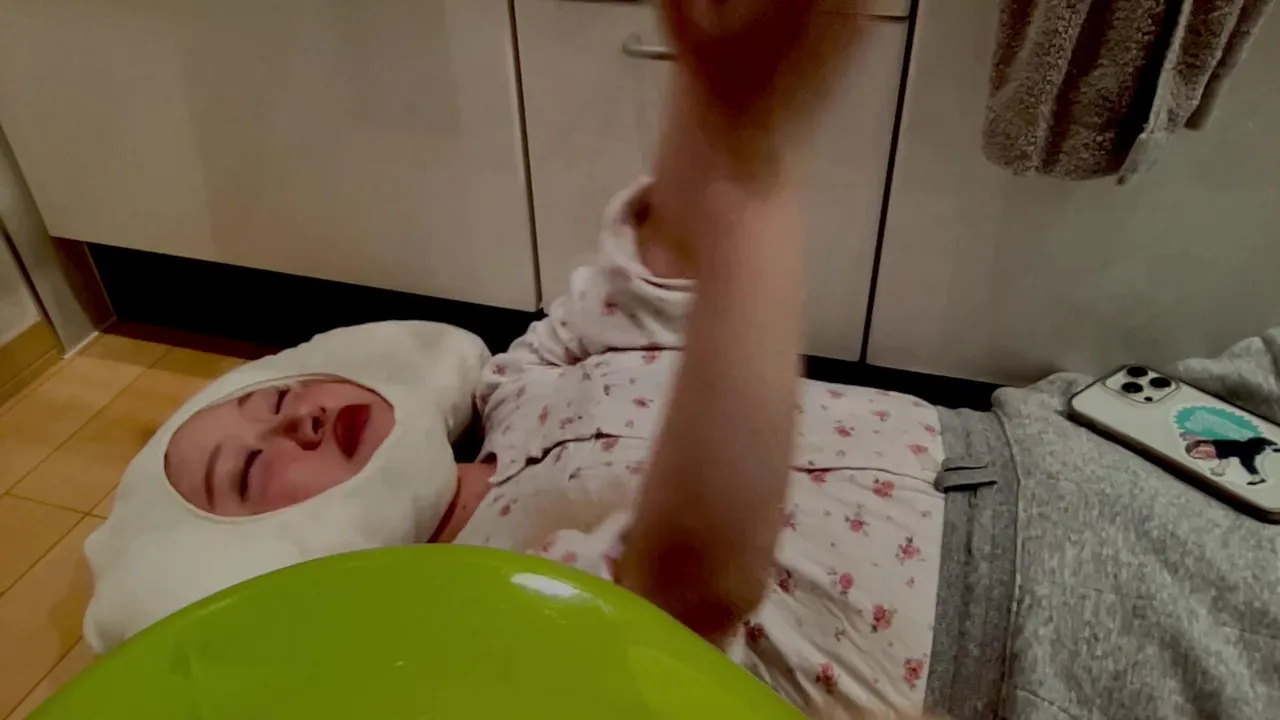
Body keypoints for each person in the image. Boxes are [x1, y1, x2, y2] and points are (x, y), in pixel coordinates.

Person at [87, 1, 1280, 718]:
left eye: (276, 399)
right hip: (1040, 624)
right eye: (250, 471)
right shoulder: (488, 606)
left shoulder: (515, 383)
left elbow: (653, 263)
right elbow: (687, 589)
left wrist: (711, 96)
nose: (290, 422)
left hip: (1065, 441)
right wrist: (756, 163)